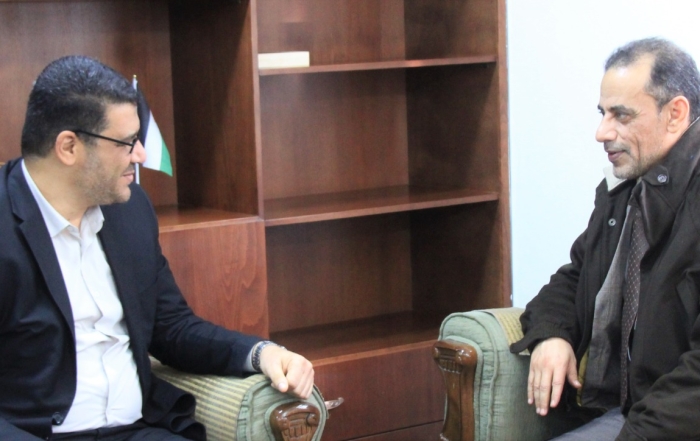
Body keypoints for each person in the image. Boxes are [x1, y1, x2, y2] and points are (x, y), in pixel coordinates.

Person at [0, 55, 314, 440]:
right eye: (126, 142)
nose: (141, 155)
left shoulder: (129, 210)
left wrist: (263, 353)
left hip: (138, 430)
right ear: (68, 147)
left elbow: (171, 328)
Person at [510, 38, 700, 440]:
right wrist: (553, 333)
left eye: (621, 115)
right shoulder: (630, 189)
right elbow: (575, 278)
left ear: (675, 114)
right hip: (631, 415)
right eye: (602, 113)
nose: (602, 132)